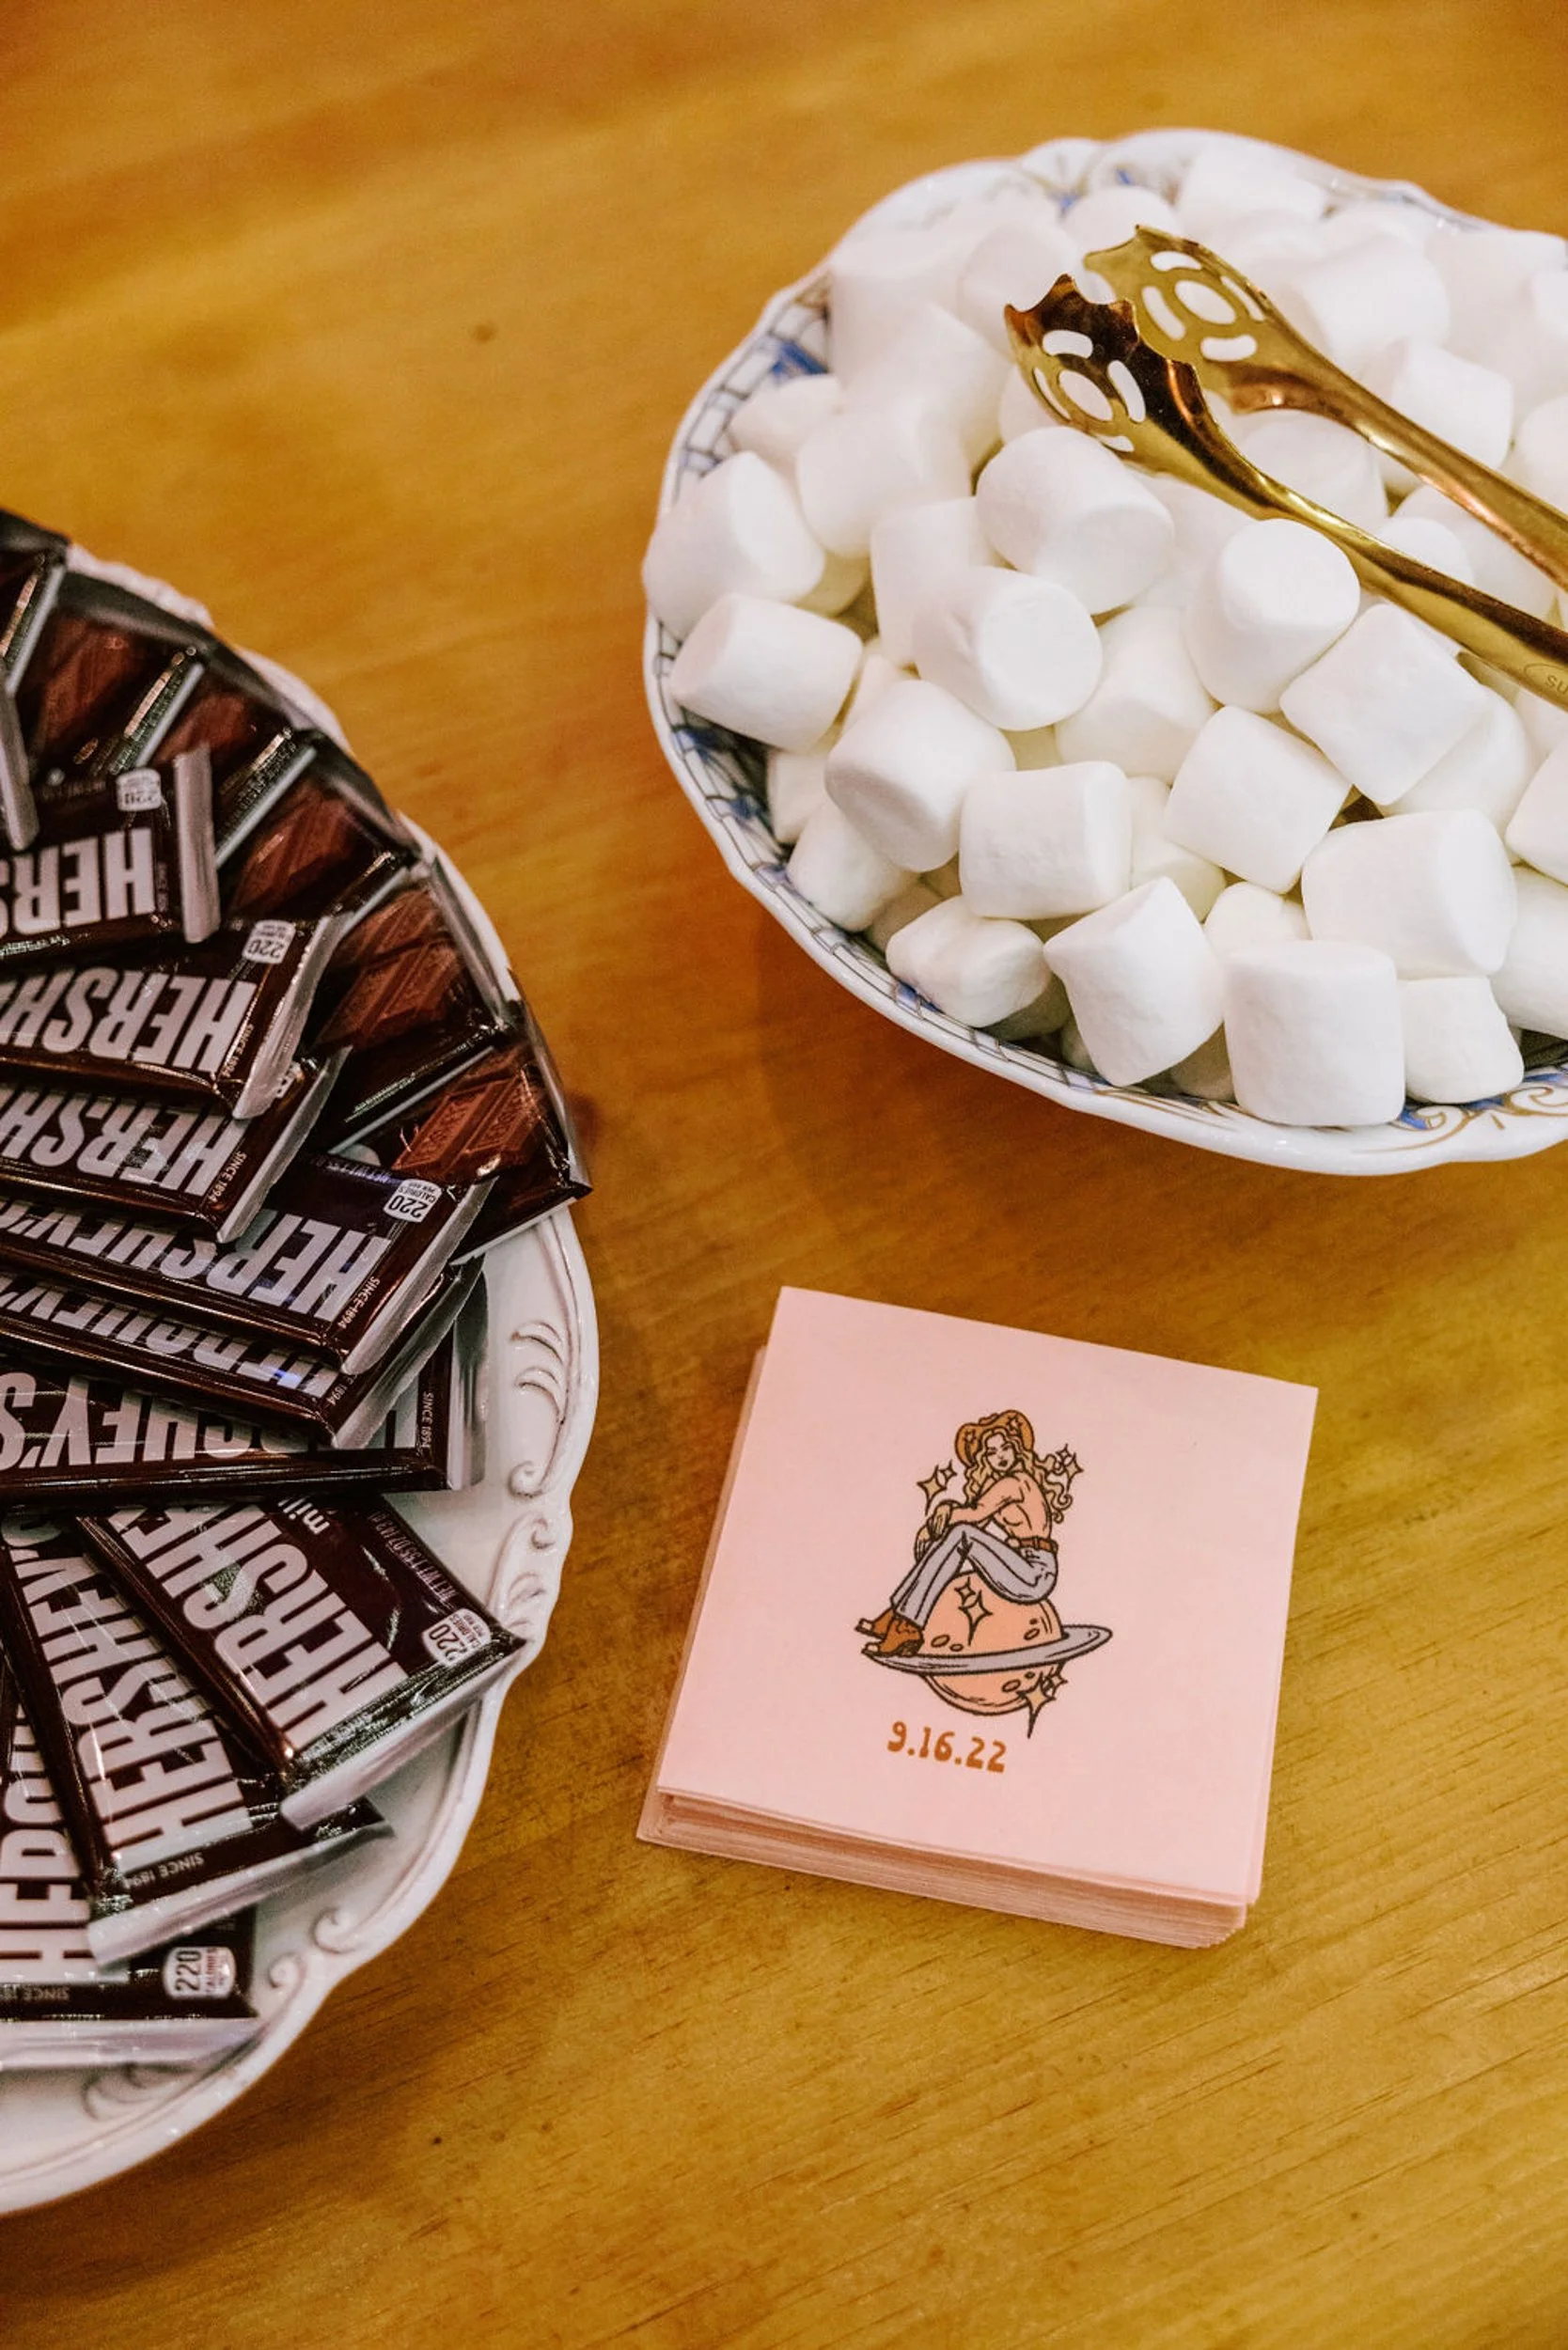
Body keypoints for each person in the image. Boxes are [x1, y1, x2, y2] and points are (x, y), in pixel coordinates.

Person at [858, 1410, 1074, 1657]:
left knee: (962, 1533)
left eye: (1005, 1447)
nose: (1001, 1456)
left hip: (1035, 1573)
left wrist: (941, 1515)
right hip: (1019, 1567)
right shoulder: (997, 1486)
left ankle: (907, 1622)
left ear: (1017, 1448)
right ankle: (898, 1616)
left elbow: (974, 1514)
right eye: (992, 1452)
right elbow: (973, 1529)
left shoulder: (1016, 1482)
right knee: (960, 1535)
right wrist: (937, 1535)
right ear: (984, 1459)